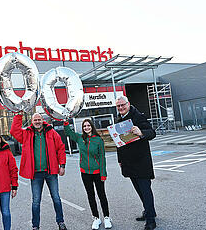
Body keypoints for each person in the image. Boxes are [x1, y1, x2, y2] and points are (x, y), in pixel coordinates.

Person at [10, 112, 67, 230]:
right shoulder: (27, 134)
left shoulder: (51, 132)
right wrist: (18, 116)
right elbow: (14, 131)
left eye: (39, 120)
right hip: (35, 173)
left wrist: (62, 165)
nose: (37, 122)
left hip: (51, 171)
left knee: (56, 198)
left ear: (42, 120)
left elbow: (61, 147)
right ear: (32, 121)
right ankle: (35, 226)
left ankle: (61, 222)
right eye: (35, 120)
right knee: (36, 201)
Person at [115, 96, 157, 230]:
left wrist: (141, 132)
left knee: (145, 190)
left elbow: (152, 133)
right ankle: (149, 211)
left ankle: (151, 221)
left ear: (128, 104)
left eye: (123, 105)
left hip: (141, 161)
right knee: (139, 190)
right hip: (128, 162)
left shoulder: (138, 116)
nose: (121, 108)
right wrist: (120, 160)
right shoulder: (119, 120)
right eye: (118, 106)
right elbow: (119, 144)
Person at [63, 119, 112, 230]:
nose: (86, 128)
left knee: (102, 195)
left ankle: (107, 217)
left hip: (97, 173)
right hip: (85, 173)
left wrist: (103, 173)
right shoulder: (80, 138)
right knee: (91, 195)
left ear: (91, 126)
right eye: (84, 126)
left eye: (88, 125)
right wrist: (66, 122)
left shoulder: (98, 140)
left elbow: (102, 157)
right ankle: (96, 218)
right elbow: (68, 133)